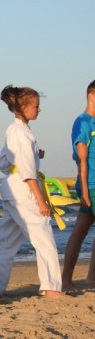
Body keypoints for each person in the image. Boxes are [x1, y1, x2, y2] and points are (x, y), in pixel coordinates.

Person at [0, 86, 65, 299]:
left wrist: (36, 155)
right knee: (43, 237)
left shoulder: (14, 130)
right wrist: (41, 200)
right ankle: (51, 287)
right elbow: (28, 173)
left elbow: (4, 163)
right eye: (36, 106)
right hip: (23, 190)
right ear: (24, 107)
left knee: (6, 241)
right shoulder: (20, 133)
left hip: (13, 189)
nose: (39, 109)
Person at [61, 80, 95, 291]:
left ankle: (87, 279)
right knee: (79, 233)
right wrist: (85, 192)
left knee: (80, 231)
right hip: (91, 185)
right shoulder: (82, 123)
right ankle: (68, 280)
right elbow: (80, 160)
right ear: (91, 96)